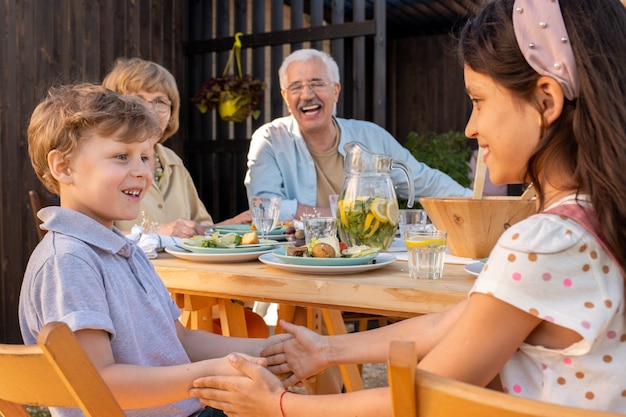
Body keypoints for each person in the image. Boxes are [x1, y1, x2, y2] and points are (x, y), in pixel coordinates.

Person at [189, 0, 626, 415]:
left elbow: (418, 401)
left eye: (477, 100)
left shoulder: (545, 243)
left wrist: (280, 407)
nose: (471, 127)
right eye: (297, 86)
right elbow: (446, 326)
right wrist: (327, 350)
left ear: (545, 101)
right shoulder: (590, 219)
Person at [19, 83, 287, 417]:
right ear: (63, 167)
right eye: (121, 156)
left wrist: (268, 350)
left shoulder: (124, 250)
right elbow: (100, 382)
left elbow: (181, 341)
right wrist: (217, 371)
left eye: (145, 157)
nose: (142, 172)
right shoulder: (68, 261)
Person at [244, 48, 472, 221]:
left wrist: (474, 201)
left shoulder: (371, 136)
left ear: (335, 91)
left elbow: (423, 180)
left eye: (316, 83)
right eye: (296, 87)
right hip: (297, 260)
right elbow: (264, 208)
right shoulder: (269, 140)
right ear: (285, 97)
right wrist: (347, 213)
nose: (306, 95)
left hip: (368, 256)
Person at [103, 57, 251, 238]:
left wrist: (229, 226)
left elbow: (196, 230)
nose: (149, 110)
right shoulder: (104, 160)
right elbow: (91, 237)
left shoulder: (172, 160)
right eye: (137, 100)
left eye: (160, 102)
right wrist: (156, 234)